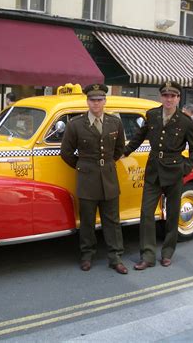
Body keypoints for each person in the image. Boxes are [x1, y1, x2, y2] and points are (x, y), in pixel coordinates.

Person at [123, 81, 193, 270]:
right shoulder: (152, 115)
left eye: (173, 96)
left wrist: (185, 169)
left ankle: (167, 253)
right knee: (146, 213)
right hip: (153, 171)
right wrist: (124, 152)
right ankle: (147, 256)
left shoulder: (185, 121)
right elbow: (139, 137)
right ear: (161, 97)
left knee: (173, 214)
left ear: (178, 99)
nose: (169, 99)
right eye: (165, 95)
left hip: (174, 171)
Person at [60, 83, 128, 275]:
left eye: (99, 100)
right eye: (92, 100)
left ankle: (115, 257)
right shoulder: (76, 124)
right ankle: (87, 255)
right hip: (87, 179)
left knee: (112, 221)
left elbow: (120, 148)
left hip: (109, 178)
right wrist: (82, 167)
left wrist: (106, 163)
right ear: (87, 101)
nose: (96, 104)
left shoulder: (115, 123)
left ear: (105, 101)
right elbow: (65, 152)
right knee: (87, 221)